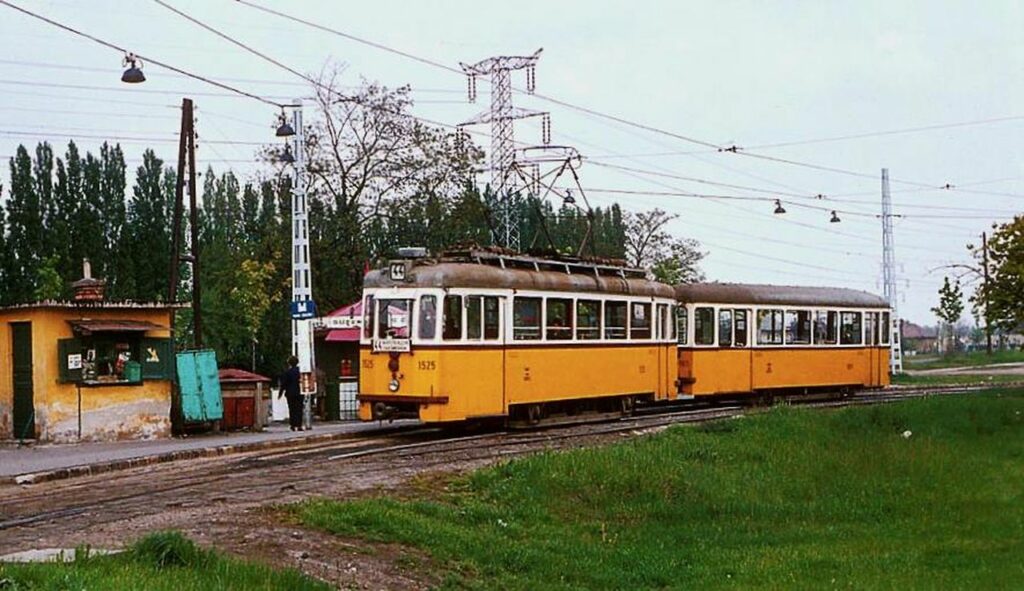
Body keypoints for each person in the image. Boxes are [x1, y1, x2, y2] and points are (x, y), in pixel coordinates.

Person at [278, 355, 303, 431]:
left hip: (290, 393)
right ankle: (299, 425)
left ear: (289, 363)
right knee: (299, 408)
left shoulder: (287, 372)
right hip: (299, 392)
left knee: (292, 409)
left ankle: (292, 425)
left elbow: (284, 384)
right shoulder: (300, 372)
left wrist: (280, 393)